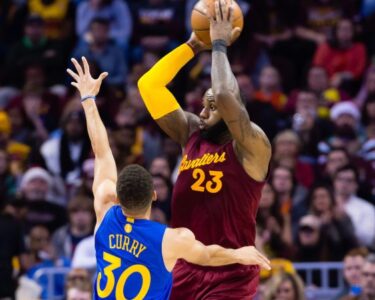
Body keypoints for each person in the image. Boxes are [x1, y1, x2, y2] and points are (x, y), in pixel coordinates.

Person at [67, 56, 271, 299]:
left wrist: (88, 100)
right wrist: (238, 254)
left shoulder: (105, 216)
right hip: (199, 263)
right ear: (154, 195)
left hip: (224, 278)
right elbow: (207, 255)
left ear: (117, 195)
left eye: (212, 106)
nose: (203, 111)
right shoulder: (167, 239)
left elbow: (101, 152)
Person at [138, 0, 272, 298]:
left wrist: (220, 45)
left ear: (233, 110)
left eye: (211, 106)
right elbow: (149, 85)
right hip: (185, 267)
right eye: (202, 104)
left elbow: (224, 93)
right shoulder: (191, 134)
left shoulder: (252, 144)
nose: (202, 111)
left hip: (232, 270)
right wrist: (194, 44)